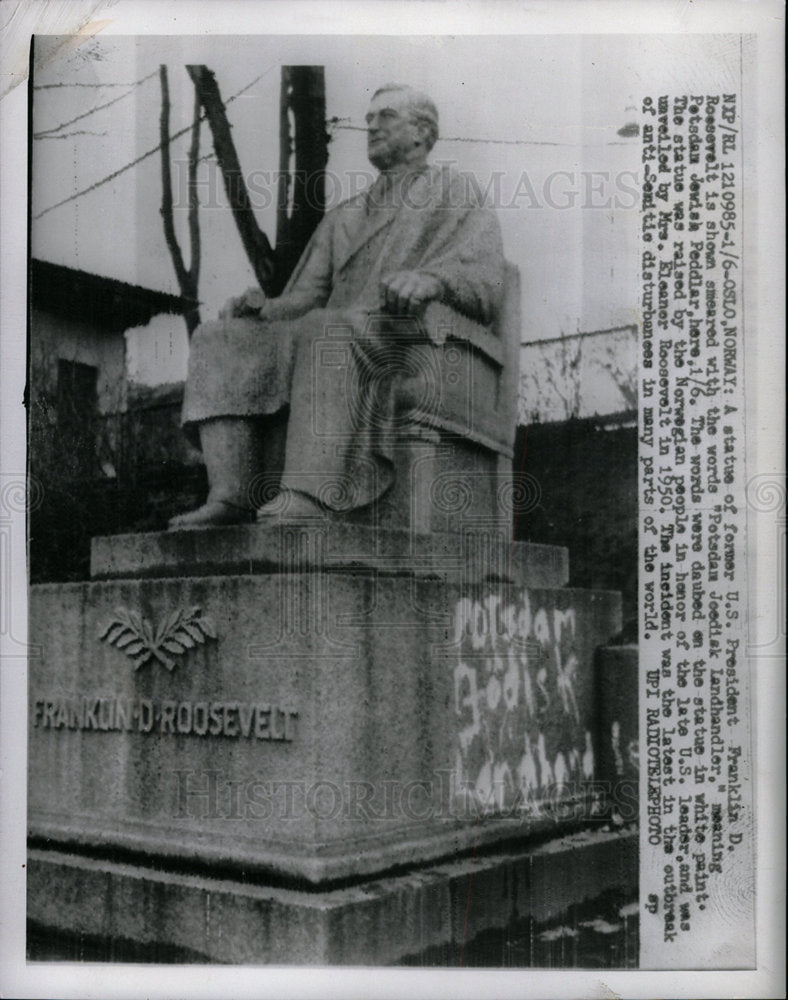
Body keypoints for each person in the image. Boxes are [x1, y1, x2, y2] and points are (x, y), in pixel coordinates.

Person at [170, 84, 505, 528]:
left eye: (385, 116)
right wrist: (262, 310)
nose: (371, 125)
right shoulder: (346, 215)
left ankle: (311, 493)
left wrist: (431, 279)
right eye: (368, 118)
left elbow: (485, 282)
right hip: (337, 331)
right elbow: (308, 297)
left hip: (410, 336)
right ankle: (232, 494)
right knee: (219, 337)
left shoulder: (456, 193)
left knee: (326, 329)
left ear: (423, 132)